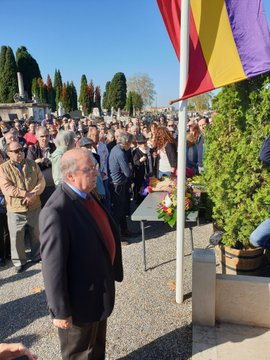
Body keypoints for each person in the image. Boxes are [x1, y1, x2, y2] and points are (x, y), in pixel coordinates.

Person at [39, 148, 123, 360]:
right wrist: (60, 311)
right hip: (79, 302)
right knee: (79, 353)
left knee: (96, 347)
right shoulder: (57, 211)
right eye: (89, 169)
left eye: (95, 167)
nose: (96, 173)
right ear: (70, 176)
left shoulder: (87, 194)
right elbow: (52, 268)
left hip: (97, 293)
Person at [0, 141, 45, 273]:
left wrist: (33, 194)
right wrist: (25, 194)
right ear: (8, 153)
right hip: (16, 210)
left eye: (21, 149)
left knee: (37, 233)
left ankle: (37, 255)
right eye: (15, 151)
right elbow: (7, 188)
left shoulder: (32, 164)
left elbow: (41, 180)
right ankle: (19, 262)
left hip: (34, 206)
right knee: (17, 237)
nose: (19, 152)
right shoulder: (3, 168)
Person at [27, 126, 56, 207]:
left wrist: (41, 161)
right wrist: (48, 161)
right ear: (36, 137)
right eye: (42, 136)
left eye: (47, 136)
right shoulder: (32, 149)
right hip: (40, 186)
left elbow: (57, 163)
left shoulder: (54, 147)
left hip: (54, 185)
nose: (44, 138)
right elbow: (31, 167)